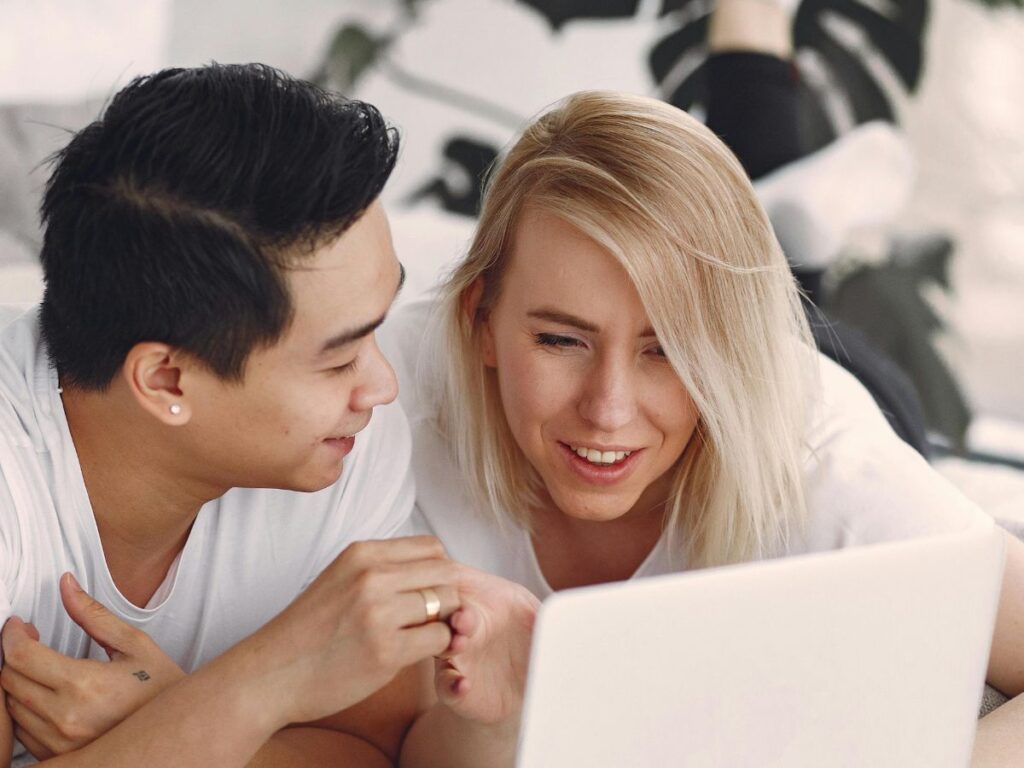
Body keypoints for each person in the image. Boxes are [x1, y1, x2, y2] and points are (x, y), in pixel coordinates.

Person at [383, 89, 1024, 766]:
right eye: (561, 341)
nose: (608, 408)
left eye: (666, 350)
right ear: (480, 320)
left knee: (817, 314)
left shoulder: (827, 461)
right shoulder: (387, 409)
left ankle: (789, 240)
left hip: (809, 379)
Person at [0, 63, 464, 767]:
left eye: (376, 330)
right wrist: (258, 688)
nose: (382, 385)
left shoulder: (343, 445)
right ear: (165, 379)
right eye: (338, 360)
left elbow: (377, 751)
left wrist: (172, 722)